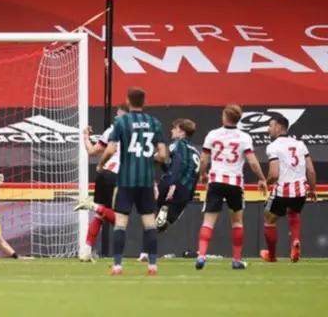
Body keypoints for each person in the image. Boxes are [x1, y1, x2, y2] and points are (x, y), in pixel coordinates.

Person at [75, 87, 167, 275]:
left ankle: (114, 264)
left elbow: (106, 150)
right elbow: (163, 155)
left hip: (123, 178)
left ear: (128, 101)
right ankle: (152, 265)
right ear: (144, 101)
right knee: (149, 223)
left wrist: (100, 164)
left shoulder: (120, 124)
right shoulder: (154, 123)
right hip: (144, 179)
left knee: (118, 222)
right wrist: (150, 160)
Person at [196, 104, 267, 270]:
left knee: (208, 221)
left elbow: (204, 158)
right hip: (235, 182)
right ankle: (236, 259)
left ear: (224, 116)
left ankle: (201, 256)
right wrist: (261, 178)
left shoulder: (213, 134)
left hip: (216, 181)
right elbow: (252, 161)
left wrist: (203, 174)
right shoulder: (244, 137)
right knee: (237, 222)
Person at [137, 119, 200, 262]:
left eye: (175, 128)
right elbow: (180, 168)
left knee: (150, 216)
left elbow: (176, 162)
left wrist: (172, 183)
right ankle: (165, 217)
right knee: (167, 222)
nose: (171, 131)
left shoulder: (177, 144)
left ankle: (145, 253)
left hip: (171, 183)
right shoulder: (195, 150)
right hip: (187, 190)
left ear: (181, 132)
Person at [260, 116, 317, 263]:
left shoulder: (273, 146)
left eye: (271, 125)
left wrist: (265, 183)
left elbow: (273, 174)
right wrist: (312, 188)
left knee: (269, 220)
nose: (269, 129)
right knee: (294, 211)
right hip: (300, 191)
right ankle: (295, 242)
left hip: (283, 190)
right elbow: (310, 171)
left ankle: (272, 256)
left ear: (279, 127)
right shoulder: (300, 144)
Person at [77, 103, 129, 262]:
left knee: (100, 215)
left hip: (103, 173)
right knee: (120, 220)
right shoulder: (135, 133)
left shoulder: (110, 131)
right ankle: (93, 205)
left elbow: (92, 151)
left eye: (118, 114)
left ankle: (85, 250)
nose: (115, 116)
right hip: (118, 176)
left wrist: (85, 136)